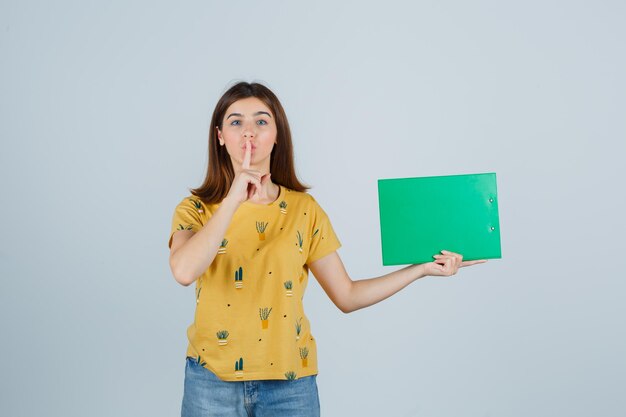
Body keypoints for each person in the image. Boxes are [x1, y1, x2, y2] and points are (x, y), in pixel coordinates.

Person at [168, 81, 487, 417]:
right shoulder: (195, 209)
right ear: (220, 136)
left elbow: (347, 295)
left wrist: (421, 269)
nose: (249, 132)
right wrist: (233, 198)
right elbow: (184, 271)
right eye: (236, 122)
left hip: (290, 387)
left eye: (262, 121)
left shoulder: (304, 210)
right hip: (211, 383)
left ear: (277, 135)